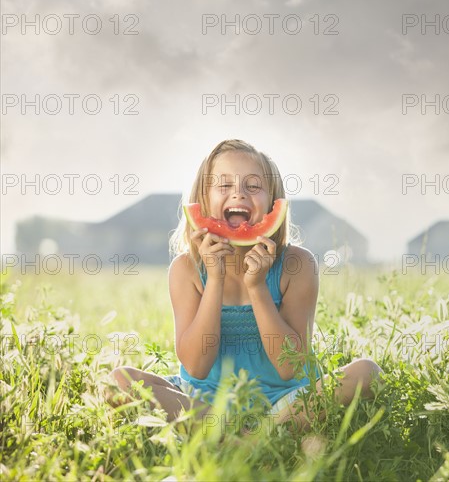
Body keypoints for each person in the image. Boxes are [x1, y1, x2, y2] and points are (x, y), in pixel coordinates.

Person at [107, 139, 383, 436]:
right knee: (118, 382)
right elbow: (197, 367)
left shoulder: (297, 264)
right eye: (223, 185)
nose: (238, 192)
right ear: (203, 199)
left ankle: (247, 438)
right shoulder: (186, 269)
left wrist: (257, 287)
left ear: (273, 203)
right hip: (205, 403)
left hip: (286, 401)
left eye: (253, 186)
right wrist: (214, 280)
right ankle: (254, 438)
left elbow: (289, 367)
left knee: (368, 373)